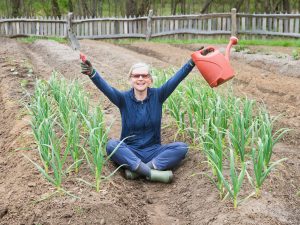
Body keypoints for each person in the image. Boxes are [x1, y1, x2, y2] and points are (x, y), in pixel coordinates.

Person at [81, 56, 196, 183]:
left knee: (182, 148)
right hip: (131, 152)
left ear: (150, 80)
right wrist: (92, 74)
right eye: (136, 76)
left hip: (154, 152)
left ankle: (137, 172)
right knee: (112, 145)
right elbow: (106, 88)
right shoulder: (123, 99)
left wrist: (192, 62)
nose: (140, 78)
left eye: (144, 75)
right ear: (130, 80)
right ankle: (152, 174)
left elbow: (176, 79)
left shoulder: (158, 95)